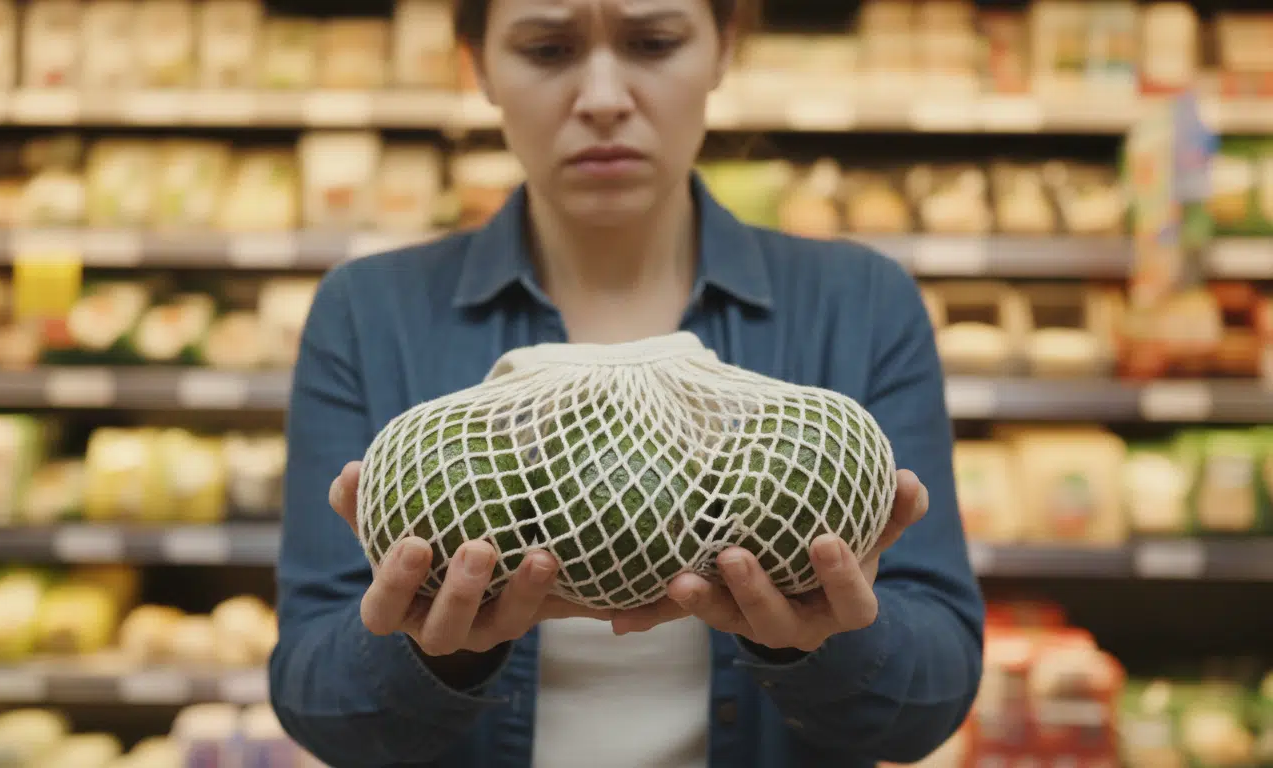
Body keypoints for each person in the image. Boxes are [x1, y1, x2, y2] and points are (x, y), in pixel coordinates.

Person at [268, 0, 985, 765]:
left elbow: (931, 700)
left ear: (722, 49)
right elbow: (317, 700)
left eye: (653, 42)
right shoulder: (368, 312)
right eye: (548, 49)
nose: (603, 97)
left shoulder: (862, 304)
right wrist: (436, 653)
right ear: (477, 64)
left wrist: (826, 640)